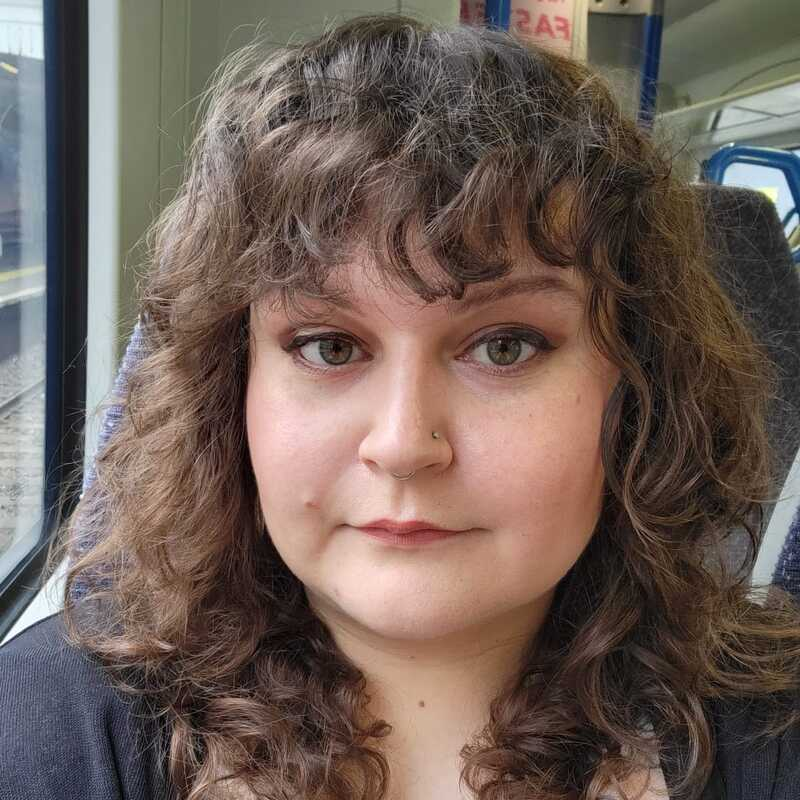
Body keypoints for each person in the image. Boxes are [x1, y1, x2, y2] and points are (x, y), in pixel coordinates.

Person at [2, 12, 800, 800]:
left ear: (637, 387)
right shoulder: (40, 734)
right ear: (230, 393)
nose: (402, 445)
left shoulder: (772, 737)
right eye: (330, 347)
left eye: (505, 346)